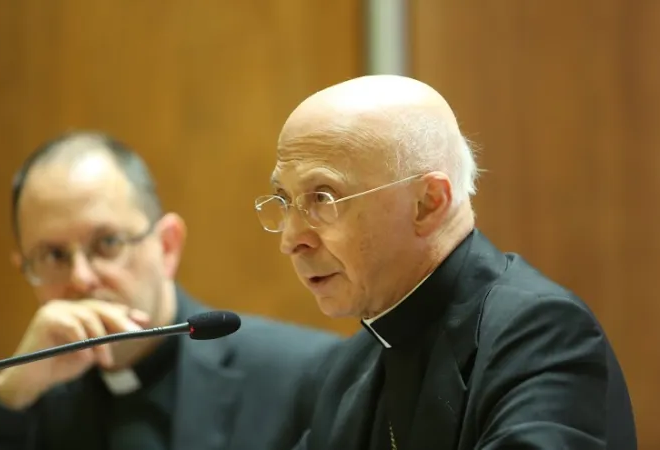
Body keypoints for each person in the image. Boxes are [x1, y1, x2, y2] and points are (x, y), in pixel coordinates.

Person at [255, 74, 637, 449]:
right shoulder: (347, 369)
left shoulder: (540, 334)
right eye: (285, 201)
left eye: (322, 198)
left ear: (428, 203)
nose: (291, 240)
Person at [0, 131, 342, 450]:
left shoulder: (306, 377)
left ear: (167, 246)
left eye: (108, 242)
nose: (80, 278)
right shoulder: (18, 406)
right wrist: (6, 396)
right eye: (53, 255)